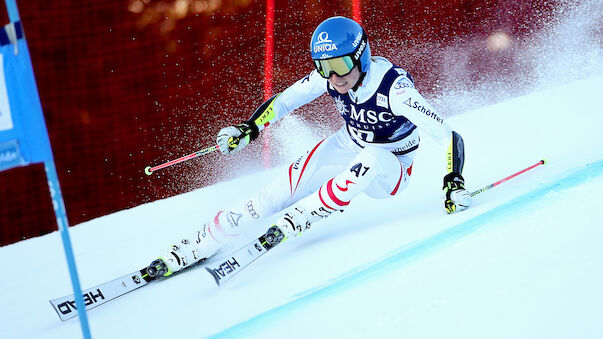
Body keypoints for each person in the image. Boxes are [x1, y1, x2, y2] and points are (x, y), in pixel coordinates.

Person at [155, 16, 471, 276]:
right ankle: (204, 241)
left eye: (342, 64)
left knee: (373, 156)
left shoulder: (395, 88)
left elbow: (449, 135)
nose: (334, 77)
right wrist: (250, 128)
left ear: (361, 55)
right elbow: (286, 100)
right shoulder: (330, 76)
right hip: (350, 143)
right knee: (274, 194)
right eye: (324, 67)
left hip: (392, 167)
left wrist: (453, 183)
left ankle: (306, 214)